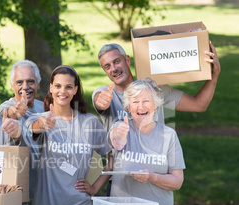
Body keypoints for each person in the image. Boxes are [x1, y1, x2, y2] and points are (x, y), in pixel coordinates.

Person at [92, 42, 220, 195]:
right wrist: (101, 101)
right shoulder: (105, 94)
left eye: (116, 61)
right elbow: (99, 101)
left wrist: (214, 76)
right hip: (123, 185)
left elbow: (199, 105)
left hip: (157, 181)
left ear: (127, 60)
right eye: (107, 66)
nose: (113, 69)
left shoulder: (155, 89)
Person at [25, 65, 111, 205]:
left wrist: (94, 187)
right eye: (57, 86)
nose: (62, 91)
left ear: (75, 90)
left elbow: (113, 157)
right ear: (50, 87)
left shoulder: (90, 123)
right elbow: (34, 129)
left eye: (68, 87)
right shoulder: (38, 119)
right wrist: (43, 125)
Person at [109, 78, 185, 205]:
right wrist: (119, 135)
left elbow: (177, 181)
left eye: (145, 101)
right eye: (135, 102)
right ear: (128, 106)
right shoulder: (121, 127)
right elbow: (116, 142)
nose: (141, 106)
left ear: (156, 104)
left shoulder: (169, 136)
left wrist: (152, 177)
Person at [0, 60, 45, 205]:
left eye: (30, 81)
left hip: (43, 192)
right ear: (12, 86)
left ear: (38, 84)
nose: (25, 87)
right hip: (19, 192)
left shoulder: (43, 107)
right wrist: (15, 113)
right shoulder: (6, 107)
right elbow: (8, 114)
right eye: (19, 82)